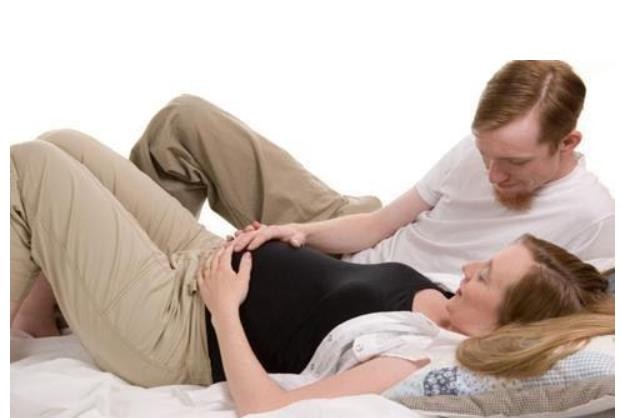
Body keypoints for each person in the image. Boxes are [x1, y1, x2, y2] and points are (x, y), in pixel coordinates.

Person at [9, 134, 614, 414]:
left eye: (485, 278)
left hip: (177, 328)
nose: (467, 267)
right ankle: (37, 316)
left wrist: (224, 310)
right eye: (485, 260)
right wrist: (284, 238)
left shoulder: (406, 360)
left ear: (496, 329)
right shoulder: (441, 303)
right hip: (205, 256)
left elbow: (268, 408)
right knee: (67, 143)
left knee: (32, 166)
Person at [127, 60, 613, 280]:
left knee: (185, 271)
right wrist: (299, 231)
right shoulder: (476, 151)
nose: (493, 175)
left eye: (514, 163)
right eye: (487, 155)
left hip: (370, 285)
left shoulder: (590, 217)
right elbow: (378, 225)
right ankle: (108, 273)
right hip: (355, 229)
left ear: (567, 143)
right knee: (184, 120)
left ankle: (119, 278)